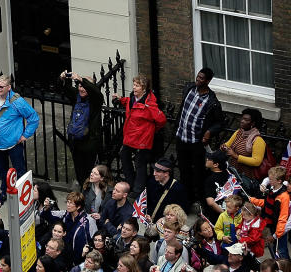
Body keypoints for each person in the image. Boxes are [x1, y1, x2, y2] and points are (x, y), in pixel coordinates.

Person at [0, 73, 39, 192]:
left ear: (9, 87)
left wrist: (25, 135)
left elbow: (34, 118)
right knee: (2, 170)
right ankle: (4, 191)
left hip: (14, 144)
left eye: (2, 86)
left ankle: (22, 193)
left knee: (19, 171)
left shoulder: (18, 102)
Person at [174, 67, 224, 209]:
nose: (198, 79)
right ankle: (185, 200)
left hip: (196, 143)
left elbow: (220, 123)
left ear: (208, 81)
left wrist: (209, 132)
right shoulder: (189, 89)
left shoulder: (212, 101)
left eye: (202, 78)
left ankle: (199, 202)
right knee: (184, 171)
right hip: (181, 138)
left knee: (198, 173)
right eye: (198, 76)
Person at [112, 75, 166, 194]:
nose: (134, 87)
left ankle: (138, 190)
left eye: (137, 86)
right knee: (124, 155)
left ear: (144, 88)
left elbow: (161, 120)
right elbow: (130, 104)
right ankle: (131, 183)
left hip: (142, 138)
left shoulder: (149, 104)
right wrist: (121, 99)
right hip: (131, 135)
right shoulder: (133, 98)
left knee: (140, 162)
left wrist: (151, 129)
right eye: (134, 85)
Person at [60, 71, 104, 184]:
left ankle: (89, 191)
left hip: (89, 142)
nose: (81, 89)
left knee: (90, 172)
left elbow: (96, 92)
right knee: (79, 171)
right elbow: (63, 89)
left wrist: (81, 80)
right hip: (76, 141)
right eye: (80, 86)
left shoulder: (95, 100)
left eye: (84, 87)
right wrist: (63, 79)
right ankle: (82, 190)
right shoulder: (76, 96)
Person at [221, 108, 267, 186]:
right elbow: (228, 144)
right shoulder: (239, 132)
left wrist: (235, 156)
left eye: (246, 120)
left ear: (253, 123)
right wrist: (223, 147)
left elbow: (257, 161)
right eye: (242, 118)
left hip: (246, 176)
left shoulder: (258, 140)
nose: (242, 121)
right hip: (233, 171)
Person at [145, 158, 187, 223]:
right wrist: (148, 214)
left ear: (166, 174)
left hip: (168, 225)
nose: (154, 174)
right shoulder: (151, 182)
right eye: (154, 171)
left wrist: (165, 219)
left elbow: (182, 211)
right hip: (151, 222)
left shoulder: (178, 188)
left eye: (157, 171)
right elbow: (148, 202)